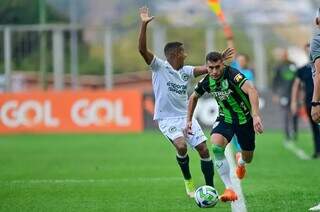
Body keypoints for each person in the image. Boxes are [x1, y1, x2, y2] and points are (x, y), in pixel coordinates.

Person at [138, 6, 234, 198]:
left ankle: (210, 189)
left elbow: (207, 69)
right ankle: (188, 181)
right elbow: (141, 49)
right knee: (181, 146)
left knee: (204, 150)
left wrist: (220, 61)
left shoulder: (185, 71)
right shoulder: (159, 67)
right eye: (183, 52)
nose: (186, 55)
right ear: (173, 55)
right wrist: (144, 25)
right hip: (167, 119)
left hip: (185, 117)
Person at [186, 51, 263, 202]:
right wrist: (188, 120)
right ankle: (229, 189)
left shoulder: (233, 74)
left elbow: (252, 91)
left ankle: (240, 161)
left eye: (217, 67)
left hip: (245, 120)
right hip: (225, 118)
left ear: (223, 65)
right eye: (210, 68)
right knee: (215, 146)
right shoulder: (207, 81)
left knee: (248, 158)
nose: (214, 71)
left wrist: (255, 116)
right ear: (206, 67)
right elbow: (193, 97)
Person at [290, 43, 320, 159]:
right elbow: (296, 85)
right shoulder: (302, 69)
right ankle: (317, 150)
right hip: (310, 102)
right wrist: (293, 101)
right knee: (314, 127)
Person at [272, 48, 298, 142]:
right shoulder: (278, 66)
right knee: (285, 114)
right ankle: (287, 134)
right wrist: (275, 93)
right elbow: (275, 80)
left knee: (295, 113)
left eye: (285, 54)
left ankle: (294, 132)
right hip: (284, 94)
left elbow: (298, 79)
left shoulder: (293, 65)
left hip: (295, 94)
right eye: (282, 55)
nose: (284, 56)